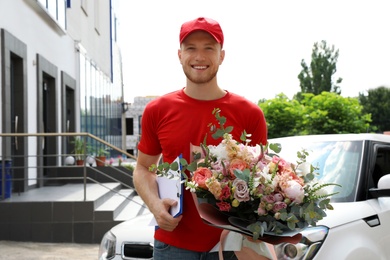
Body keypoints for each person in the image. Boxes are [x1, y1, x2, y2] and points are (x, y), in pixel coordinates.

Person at [133, 17, 299, 260]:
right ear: (179, 55)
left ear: (222, 55)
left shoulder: (249, 114)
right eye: (191, 48)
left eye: (209, 48)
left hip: (233, 246)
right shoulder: (157, 110)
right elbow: (142, 168)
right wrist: (155, 206)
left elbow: (264, 182)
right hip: (173, 245)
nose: (199, 56)